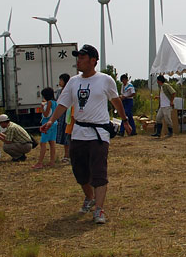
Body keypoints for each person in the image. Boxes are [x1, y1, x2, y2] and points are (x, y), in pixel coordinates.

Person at [40, 44, 131, 225]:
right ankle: (89, 197)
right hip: (78, 132)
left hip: (99, 134)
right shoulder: (73, 82)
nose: (78, 61)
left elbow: (115, 101)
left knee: (99, 172)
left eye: (82, 58)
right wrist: (51, 121)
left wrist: (125, 120)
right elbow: (63, 104)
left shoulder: (105, 80)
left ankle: (99, 209)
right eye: (78, 57)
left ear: (93, 60)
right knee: (80, 172)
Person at [33, 87, 57, 169]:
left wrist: (42, 108)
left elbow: (46, 114)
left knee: (43, 143)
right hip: (54, 123)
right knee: (52, 143)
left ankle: (40, 162)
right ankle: (52, 161)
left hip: (47, 124)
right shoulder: (55, 102)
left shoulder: (49, 103)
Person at [55, 73, 72, 163]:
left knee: (68, 136)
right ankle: (66, 154)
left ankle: (68, 155)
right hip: (61, 116)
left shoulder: (69, 91)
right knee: (63, 135)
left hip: (68, 116)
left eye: (61, 80)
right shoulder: (59, 91)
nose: (59, 82)